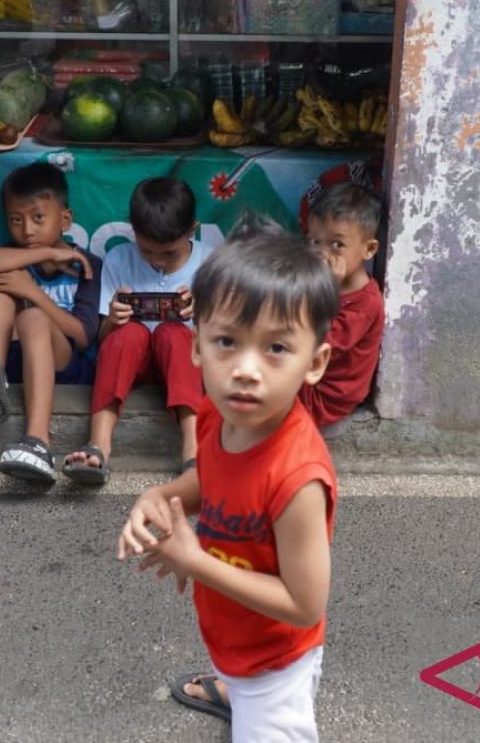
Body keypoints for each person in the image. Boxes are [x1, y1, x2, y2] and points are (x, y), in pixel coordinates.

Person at [117, 233, 339, 742]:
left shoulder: (298, 477)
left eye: (277, 347)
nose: (245, 369)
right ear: (196, 346)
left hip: (276, 664)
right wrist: (162, 496)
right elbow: (211, 479)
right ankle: (230, 690)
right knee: (237, 670)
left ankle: (244, 697)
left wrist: (195, 563)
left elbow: (306, 606)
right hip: (235, 634)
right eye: (227, 341)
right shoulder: (218, 414)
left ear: (315, 362)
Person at [0, 162, 102, 485]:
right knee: (5, 283)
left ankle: (38, 442)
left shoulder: (87, 265)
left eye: (38, 218)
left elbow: (82, 337)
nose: (27, 230)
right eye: (16, 220)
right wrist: (43, 255)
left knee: (32, 314)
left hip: (65, 362)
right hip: (20, 358)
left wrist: (34, 293)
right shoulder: (17, 256)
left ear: (65, 219)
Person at [61, 177, 214, 484]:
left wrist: (205, 315)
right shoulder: (119, 259)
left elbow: (230, 343)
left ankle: (193, 451)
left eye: (168, 254)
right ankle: (99, 445)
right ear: (133, 230)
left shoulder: (210, 263)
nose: (157, 261)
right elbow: (104, 340)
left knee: (173, 333)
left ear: (192, 230)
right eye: (147, 251)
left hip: (188, 367)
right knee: (129, 333)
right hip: (135, 366)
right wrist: (113, 319)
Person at [300, 182, 385, 428]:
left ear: (368, 249)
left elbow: (320, 344)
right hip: (308, 377)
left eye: (337, 245)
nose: (322, 253)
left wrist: (328, 290)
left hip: (326, 397)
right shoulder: (316, 279)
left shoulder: (365, 303)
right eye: (315, 242)